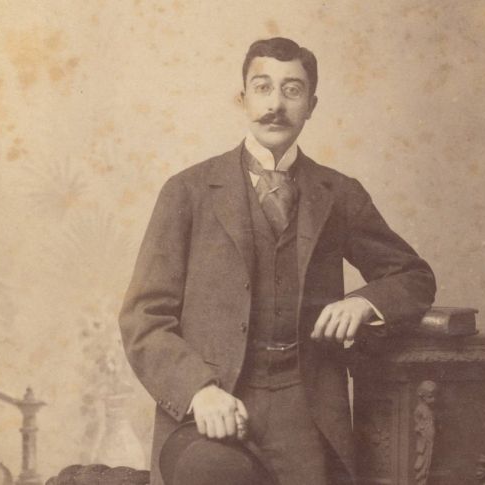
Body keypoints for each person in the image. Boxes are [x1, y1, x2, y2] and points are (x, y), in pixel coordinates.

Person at [119, 37, 436, 485]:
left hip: (306, 412)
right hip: (211, 410)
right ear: (242, 98)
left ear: (312, 105)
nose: (275, 105)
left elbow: (413, 276)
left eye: (292, 90)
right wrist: (199, 392)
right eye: (263, 88)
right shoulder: (187, 191)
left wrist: (364, 303)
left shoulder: (338, 193)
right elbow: (143, 318)